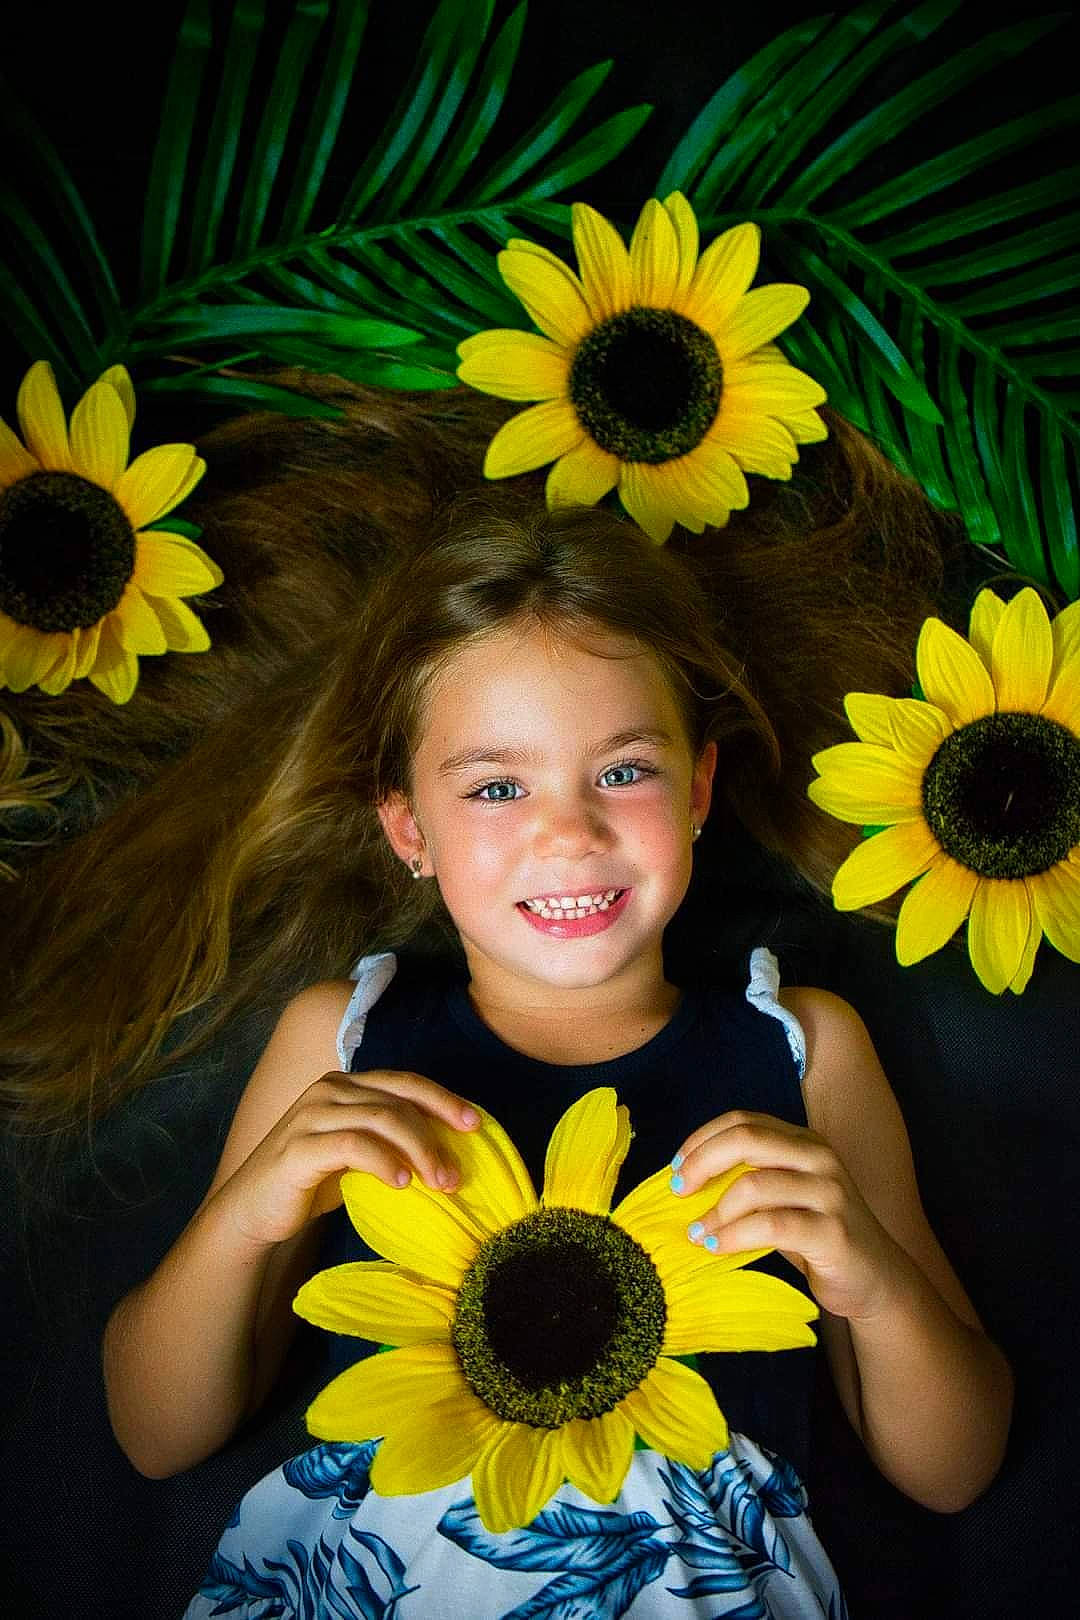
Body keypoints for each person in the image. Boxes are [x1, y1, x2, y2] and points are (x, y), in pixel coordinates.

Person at [93, 501, 1011, 1619]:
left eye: (622, 772)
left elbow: (954, 1467)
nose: (569, 834)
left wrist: (868, 1274)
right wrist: (247, 1217)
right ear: (408, 829)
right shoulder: (341, 1040)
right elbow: (153, 1436)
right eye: (495, 788)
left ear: (701, 789)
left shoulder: (804, 1046)